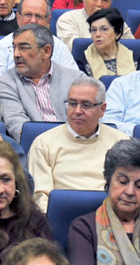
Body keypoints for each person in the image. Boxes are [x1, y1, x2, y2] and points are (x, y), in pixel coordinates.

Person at [29, 77, 129, 212]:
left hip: (111, 217)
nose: (77, 111)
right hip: (62, 218)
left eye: (86, 105)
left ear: (102, 109)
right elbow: (40, 197)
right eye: (72, 103)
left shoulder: (121, 143)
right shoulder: (44, 143)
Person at [0, 24, 84, 140]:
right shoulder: (7, 82)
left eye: (24, 48)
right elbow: (18, 127)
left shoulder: (76, 79)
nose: (16, 54)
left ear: (46, 52)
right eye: (14, 47)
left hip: (75, 146)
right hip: (34, 150)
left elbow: (87, 123)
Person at [0, 0, 79, 84]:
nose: (33, 21)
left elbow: (73, 80)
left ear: (48, 21)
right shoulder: (2, 46)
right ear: (18, 17)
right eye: (28, 15)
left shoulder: (59, 46)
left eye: (38, 16)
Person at [56, 0, 134, 49]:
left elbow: (132, 47)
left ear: (110, 4)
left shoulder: (116, 21)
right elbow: (74, 49)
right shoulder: (67, 19)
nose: (99, 4)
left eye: (105, 0)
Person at [76, 7, 140, 77]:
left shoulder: (135, 60)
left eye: (104, 29)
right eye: (93, 30)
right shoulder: (82, 61)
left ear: (118, 33)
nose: (97, 34)